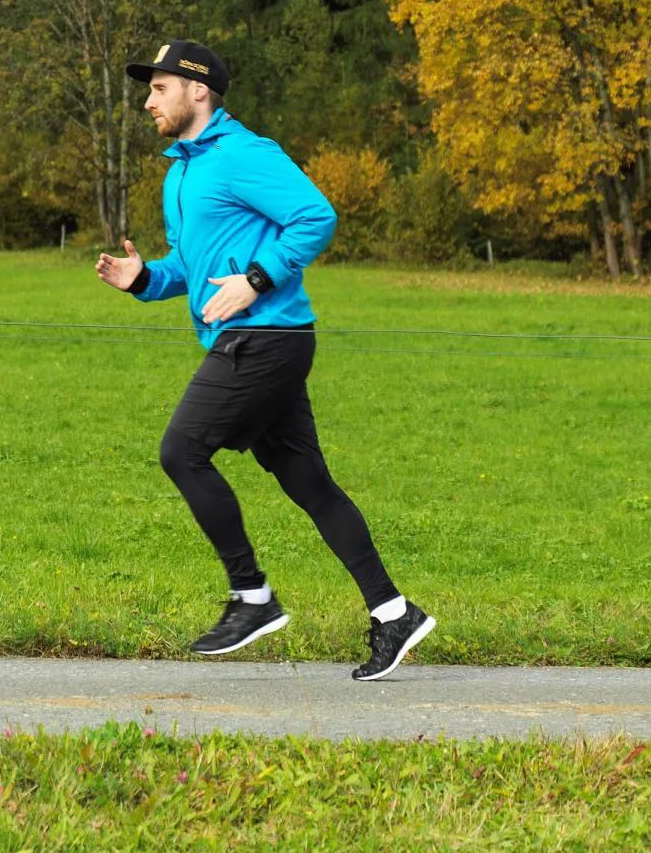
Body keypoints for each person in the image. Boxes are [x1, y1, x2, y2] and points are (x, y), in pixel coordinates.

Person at [93, 40, 434, 680]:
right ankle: (394, 613)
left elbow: (315, 217)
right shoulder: (182, 174)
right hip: (258, 337)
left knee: (181, 451)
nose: (148, 101)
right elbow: (195, 273)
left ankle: (252, 597)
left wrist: (257, 276)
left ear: (199, 90)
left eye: (158, 88)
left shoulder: (244, 154)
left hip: (266, 337)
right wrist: (143, 280)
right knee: (309, 484)